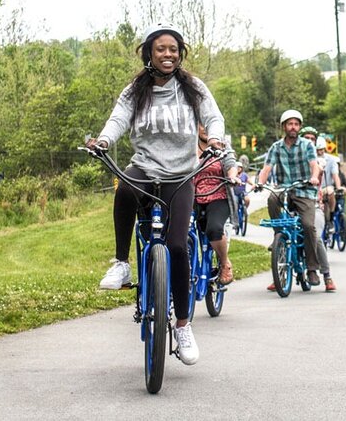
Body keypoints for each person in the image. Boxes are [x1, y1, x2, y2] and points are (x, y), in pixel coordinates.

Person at [85, 23, 225, 366]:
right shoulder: (137, 89)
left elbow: (213, 117)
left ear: (180, 54)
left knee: (177, 247)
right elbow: (118, 119)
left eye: (174, 49)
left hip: (181, 175)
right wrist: (104, 141)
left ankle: (182, 326)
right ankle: (121, 264)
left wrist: (217, 140)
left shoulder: (192, 87)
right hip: (146, 169)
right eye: (161, 49)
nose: (168, 54)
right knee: (125, 189)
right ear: (149, 52)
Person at [256, 110, 321, 286]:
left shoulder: (307, 145)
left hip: (304, 190)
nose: (293, 127)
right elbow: (266, 168)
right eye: (290, 124)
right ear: (284, 126)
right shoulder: (276, 147)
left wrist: (314, 177)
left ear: (299, 127)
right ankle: (279, 236)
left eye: (296, 124)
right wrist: (260, 182)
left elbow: (314, 165)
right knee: (272, 197)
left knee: (308, 226)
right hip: (284, 189)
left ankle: (312, 268)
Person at [194, 123, 238, 285]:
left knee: (214, 229)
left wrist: (232, 177)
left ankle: (224, 262)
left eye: (208, 124)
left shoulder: (222, 144)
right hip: (191, 196)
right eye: (201, 124)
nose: (205, 128)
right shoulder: (187, 145)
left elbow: (231, 164)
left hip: (217, 195)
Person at [299, 126, 337, 292]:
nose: (309, 141)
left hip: (314, 204)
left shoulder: (318, 161)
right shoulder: (292, 156)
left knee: (315, 235)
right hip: (295, 202)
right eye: (305, 137)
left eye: (312, 139)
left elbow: (318, 173)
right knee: (283, 231)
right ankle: (279, 273)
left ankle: (326, 275)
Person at [315, 136, 342, 233]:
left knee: (330, 192)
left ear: (324, 149)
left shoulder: (331, 160)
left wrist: (338, 187)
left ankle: (330, 218)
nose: (319, 152)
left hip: (325, 186)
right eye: (317, 150)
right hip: (313, 187)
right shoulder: (311, 158)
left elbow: (335, 175)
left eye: (321, 149)